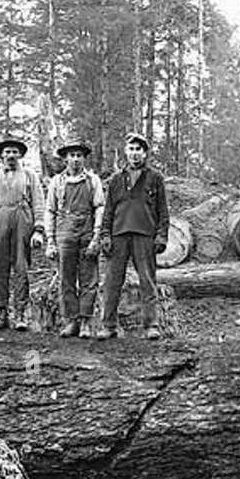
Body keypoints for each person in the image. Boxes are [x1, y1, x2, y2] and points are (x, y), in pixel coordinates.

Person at [95, 133, 169, 341]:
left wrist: (162, 236)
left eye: (139, 149)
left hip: (145, 235)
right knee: (112, 281)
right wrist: (105, 235)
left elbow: (163, 210)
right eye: (131, 149)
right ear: (125, 152)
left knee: (147, 280)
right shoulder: (116, 180)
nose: (135, 154)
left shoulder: (155, 178)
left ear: (145, 153)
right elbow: (108, 209)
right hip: (119, 235)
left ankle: (151, 325)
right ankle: (108, 325)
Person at [0, 132, 47, 331]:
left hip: (22, 224)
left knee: (21, 269)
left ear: (20, 155)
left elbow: (39, 204)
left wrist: (38, 230)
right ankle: (1, 312)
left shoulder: (30, 176)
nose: (11, 155)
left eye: (15, 152)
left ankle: (21, 314)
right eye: (7, 152)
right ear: (1, 155)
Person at [45, 139, 105, 338]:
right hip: (65, 233)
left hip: (87, 232)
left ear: (84, 158)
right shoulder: (57, 182)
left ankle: (86, 321)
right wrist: (50, 240)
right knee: (66, 278)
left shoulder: (93, 180)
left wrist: (97, 236)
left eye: (79, 155)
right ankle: (71, 321)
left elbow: (99, 207)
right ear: (65, 158)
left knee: (89, 278)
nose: (76, 159)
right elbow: (50, 211)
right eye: (72, 155)